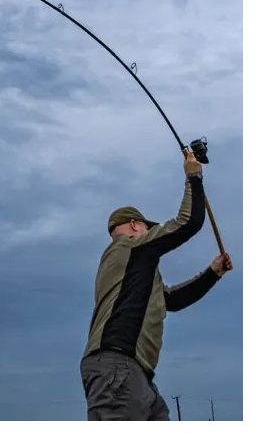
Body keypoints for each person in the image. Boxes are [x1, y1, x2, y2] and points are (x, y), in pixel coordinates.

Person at [80, 150, 233, 420]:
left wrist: (213, 272)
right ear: (134, 226)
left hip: (134, 374)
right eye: (147, 227)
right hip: (118, 369)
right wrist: (193, 176)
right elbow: (188, 223)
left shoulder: (131, 266)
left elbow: (172, 300)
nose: (151, 232)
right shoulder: (130, 248)